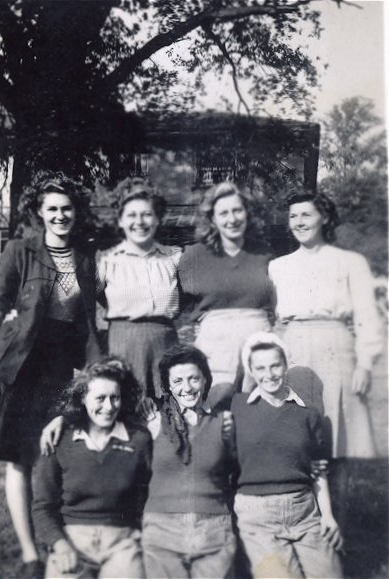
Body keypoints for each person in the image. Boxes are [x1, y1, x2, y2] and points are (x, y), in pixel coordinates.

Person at [0, 173, 101, 579]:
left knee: (52, 455)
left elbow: (87, 322)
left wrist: (95, 373)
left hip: (60, 367)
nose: (60, 215)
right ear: (40, 212)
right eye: (52, 209)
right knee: (18, 459)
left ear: (75, 212)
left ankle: (58, 540)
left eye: (66, 208)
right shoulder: (21, 250)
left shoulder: (86, 259)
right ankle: (31, 554)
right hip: (20, 364)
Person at [268, 190, 381, 460]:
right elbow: (274, 318)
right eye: (293, 216)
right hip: (292, 348)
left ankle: (338, 498)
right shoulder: (277, 267)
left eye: (307, 214)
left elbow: (367, 316)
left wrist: (365, 364)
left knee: (338, 430)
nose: (299, 222)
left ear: (325, 218)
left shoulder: (351, 262)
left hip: (336, 349)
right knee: (295, 426)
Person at [231, 332, 343, 579]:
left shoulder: (307, 414)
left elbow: (317, 469)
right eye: (260, 368)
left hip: (304, 511)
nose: (268, 374)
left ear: (285, 366)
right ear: (250, 370)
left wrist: (328, 516)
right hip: (257, 515)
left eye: (275, 366)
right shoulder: (238, 408)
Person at [33, 357, 151, 579]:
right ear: (83, 399)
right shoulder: (60, 439)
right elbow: (42, 507)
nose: (108, 407)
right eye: (100, 398)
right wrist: (60, 545)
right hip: (71, 541)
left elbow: (150, 497)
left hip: (122, 542)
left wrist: (142, 537)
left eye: (115, 398)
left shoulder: (139, 440)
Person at [141, 344, 237, 579]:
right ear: (167, 386)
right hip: (161, 531)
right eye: (178, 381)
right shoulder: (152, 422)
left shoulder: (223, 423)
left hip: (214, 531)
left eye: (194, 379)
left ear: (205, 380)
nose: (187, 388)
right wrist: (61, 420)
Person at [178, 181, 273, 393]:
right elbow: (175, 305)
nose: (232, 219)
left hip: (259, 349)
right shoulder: (192, 256)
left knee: (259, 416)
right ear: (212, 218)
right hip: (215, 351)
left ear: (247, 213)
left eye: (237, 210)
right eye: (224, 213)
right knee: (218, 417)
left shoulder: (264, 254)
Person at [97, 177, 182, 399]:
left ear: (157, 219)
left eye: (147, 214)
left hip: (166, 347)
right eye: (132, 215)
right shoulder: (106, 261)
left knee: (168, 415)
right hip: (123, 349)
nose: (140, 222)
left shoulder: (175, 257)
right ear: (121, 221)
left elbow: (193, 298)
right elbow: (89, 302)